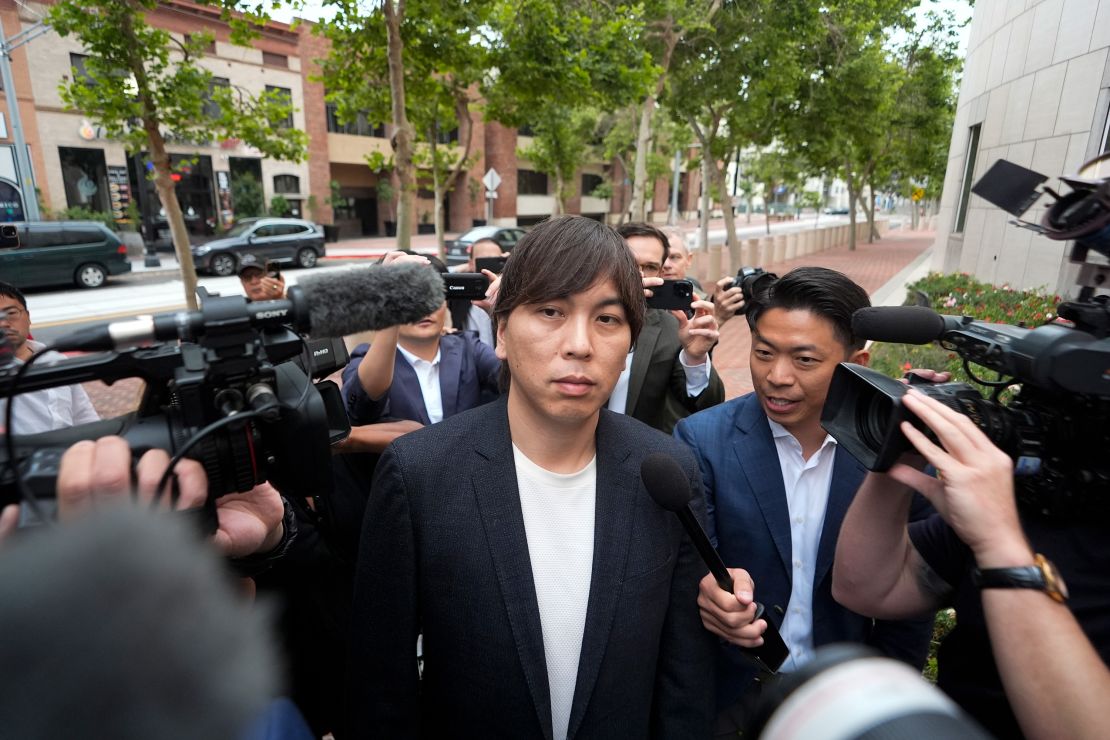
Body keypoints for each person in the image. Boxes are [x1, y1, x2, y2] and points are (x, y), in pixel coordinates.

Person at [347, 215, 715, 737]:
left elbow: (684, 674)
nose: (579, 345)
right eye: (550, 311)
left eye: (608, 320)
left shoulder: (666, 472)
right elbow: (380, 682)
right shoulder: (419, 474)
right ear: (500, 332)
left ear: (631, 341)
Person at [673, 267, 933, 734]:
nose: (777, 376)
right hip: (732, 697)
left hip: (850, 699)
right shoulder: (701, 440)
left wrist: (883, 695)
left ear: (859, 360)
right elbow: (694, 568)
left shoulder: (900, 449)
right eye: (763, 353)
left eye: (805, 360)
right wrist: (715, 601)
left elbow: (910, 601)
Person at [833, 388, 1110, 740]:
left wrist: (1000, 544)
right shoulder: (1042, 501)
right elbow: (866, 589)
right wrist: (905, 447)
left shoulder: (1000, 527)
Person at [341, 253, 500, 428]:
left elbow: (515, 381)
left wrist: (504, 315)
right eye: (409, 298)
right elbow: (361, 408)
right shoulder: (366, 359)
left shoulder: (469, 347)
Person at [613, 222, 724, 434]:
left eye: (650, 267)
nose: (640, 275)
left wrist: (696, 359)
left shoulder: (672, 329)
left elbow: (707, 403)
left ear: (661, 272)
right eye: (629, 264)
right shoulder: (577, 317)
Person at [0, 281, 100, 434]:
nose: (4, 323)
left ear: (28, 317)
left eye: (11, 313)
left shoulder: (55, 359)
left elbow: (83, 414)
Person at [446, 237, 504, 347]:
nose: (489, 266)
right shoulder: (462, 291)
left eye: (495, 260)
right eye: (484, 261)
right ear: (471, 264)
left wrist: (512, 265)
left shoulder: (512, 292)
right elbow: (438, 274)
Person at [661, 228, 705, 297]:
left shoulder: (694, 286)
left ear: (688, 260)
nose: (666, 265)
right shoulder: (640, 301)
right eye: (661, 258)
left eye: (674, 257)